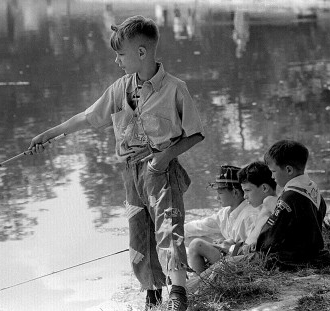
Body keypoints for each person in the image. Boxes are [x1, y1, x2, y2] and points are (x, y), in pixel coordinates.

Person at [28, 15, 204, 311]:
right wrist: (50, 134)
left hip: (161, 172)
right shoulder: (119, 89)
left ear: (141, 53)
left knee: (169, 228)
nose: (117, 61)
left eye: (120, 54)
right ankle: (151, 293)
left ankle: (178, 295)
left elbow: (196, 133)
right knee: (140, 234)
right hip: (131, 174)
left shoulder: (175, 89)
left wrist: (164, 157)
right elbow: (88, 117)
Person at [257, 140, 330, 269]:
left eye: (273, 171)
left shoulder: (289, 197)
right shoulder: (312, 188)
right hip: (315, 254)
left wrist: (258, 245)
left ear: (288, 170)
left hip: (292, 259)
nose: (272, 176)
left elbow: (271, 237)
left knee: (220, 268)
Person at [186, 165, 258, 274]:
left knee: (196, 244)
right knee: (188, 238)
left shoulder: (250, 215)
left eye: (220, 193)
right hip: (229, 255)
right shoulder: (225, 213)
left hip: (240, 263)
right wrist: (171, 230)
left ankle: (200, 281)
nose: (217, 198)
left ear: (235, 192)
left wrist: (228, 246)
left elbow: (253, 250)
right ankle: (201, 278)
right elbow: (201, 226)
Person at [233, 161, 277, 255]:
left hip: (255, 260)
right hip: (248, 258)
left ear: (264, 188)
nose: (245, 196)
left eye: (247, 190)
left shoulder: (270, 201)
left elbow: (286, 218)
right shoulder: (261, 208)